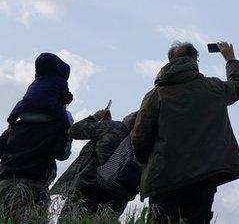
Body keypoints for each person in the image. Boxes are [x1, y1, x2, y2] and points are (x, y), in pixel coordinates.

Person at [131, 41, 239, 223]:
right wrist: (230, 60)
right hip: (204, 176)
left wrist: (148, 162)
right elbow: (238, 86)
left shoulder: (156, 95)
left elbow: (140, 139)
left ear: (170, 61)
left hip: (164, 178)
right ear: (195, 60)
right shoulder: (214, 88)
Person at [0, 52, 74, 219]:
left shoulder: (15, 126)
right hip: (34, 186)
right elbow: (62, 154)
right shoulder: (58, 125)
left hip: (4, 182)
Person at [52, 108, 140, 217]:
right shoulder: (140, 142)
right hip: (117, 198)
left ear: (132, 118)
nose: (125, 116)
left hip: (88, 188)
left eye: (129, 114)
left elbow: (75, 130)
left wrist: (96, 117)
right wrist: (107, 125)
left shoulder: (115, 127)